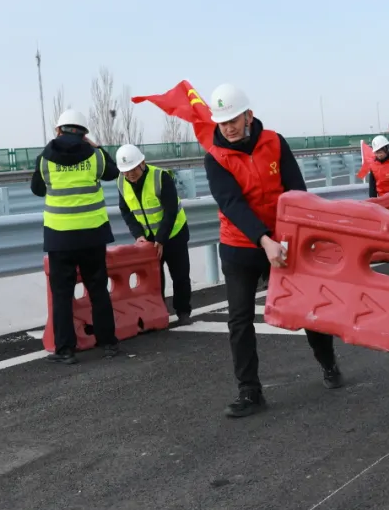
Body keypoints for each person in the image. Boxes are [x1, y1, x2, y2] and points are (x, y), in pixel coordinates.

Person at [203, 83, 343, 418]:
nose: (229, 127)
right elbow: (232, 204)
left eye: (234, 119)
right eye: (223, 122)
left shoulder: (274, 142)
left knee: (308, 307)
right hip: (241, 244)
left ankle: (327, 362)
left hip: (283, 242)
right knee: (239, 320)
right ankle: (249, 392)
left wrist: (297, 238)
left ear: (249, 114)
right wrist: (263, 240)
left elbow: (297, 190)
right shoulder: (216, 158)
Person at [30, 109, 122, 364]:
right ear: (84, 134)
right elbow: (114, 172)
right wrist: (98, 147)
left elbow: (37, 190)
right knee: (97, 289)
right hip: (92, 234)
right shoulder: (93, 155)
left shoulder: (45, 157)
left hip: (60, 237)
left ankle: (65, 350)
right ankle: (109, 344)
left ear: (58, 130)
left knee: (61, 294)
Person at [115, 143, 193, 326]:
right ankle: (158, 312)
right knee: (154, 278)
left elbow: (171, 210)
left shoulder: (160, 177)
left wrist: (161, 239)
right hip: (149, 238)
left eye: (133, 169)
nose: (130, 174)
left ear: (142, 163)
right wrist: (138, 235)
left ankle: (183, 312)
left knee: (180, 275)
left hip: (174, 234)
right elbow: (125, 211)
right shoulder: (121, 182)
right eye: (126, 171)